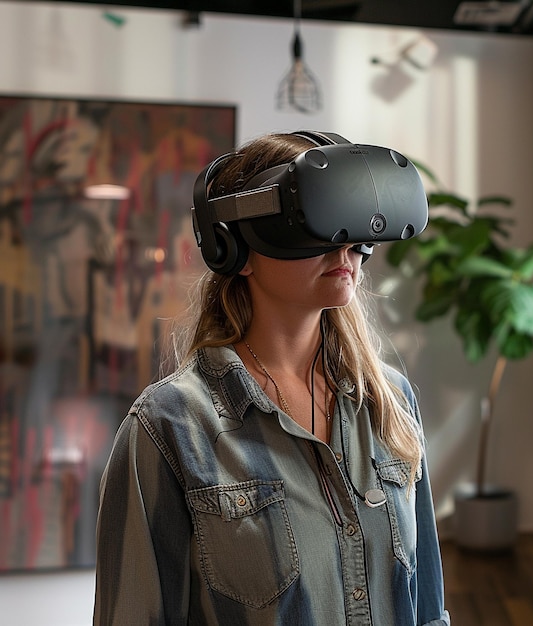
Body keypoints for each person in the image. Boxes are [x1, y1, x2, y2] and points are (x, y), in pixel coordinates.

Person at [93, 130, 450, 625]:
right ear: (236, 248)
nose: (342, 246)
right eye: (313, 221)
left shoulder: (387, 399)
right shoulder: (168, 428)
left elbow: (426, 605)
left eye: (350, 225)